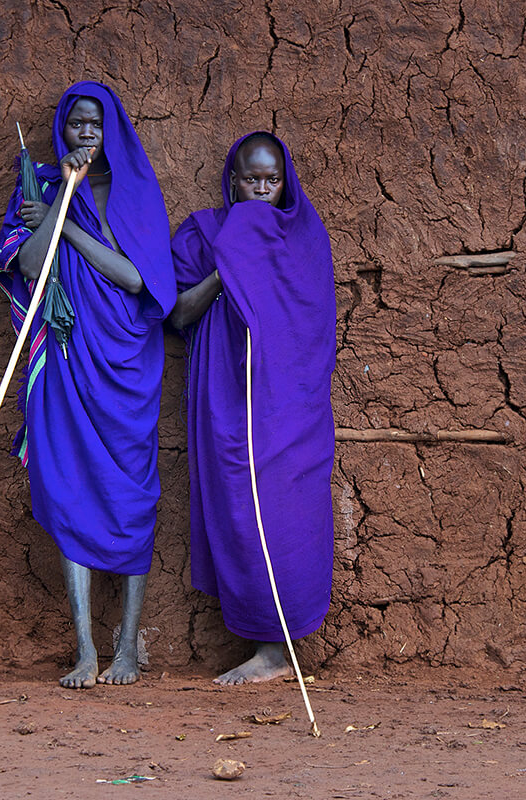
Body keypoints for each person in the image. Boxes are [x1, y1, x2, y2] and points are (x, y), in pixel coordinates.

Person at [0, 81, 175, 688]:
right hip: (67, 359)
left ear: (112, 130)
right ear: (62, 131)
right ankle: (86, 651)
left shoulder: (134, 194)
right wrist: (56, 201)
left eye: (97, 124)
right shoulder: (40, 187)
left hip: (124, 365)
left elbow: (134, 279)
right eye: (77, 125)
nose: (87, 134)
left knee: (130, 497)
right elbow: (30, 267)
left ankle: (126, 648)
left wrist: (67, 222)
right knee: (69, 485)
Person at [169, 132, 336, 684]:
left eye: (272, 180)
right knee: (240, 507)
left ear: (285, 182)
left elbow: (312, 325)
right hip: (226, 398)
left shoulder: (305, 239)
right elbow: (178, 316)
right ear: (232, 180)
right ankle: (263, 645)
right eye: (250, 180)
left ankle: (279, 653)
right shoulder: (205, 234)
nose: (261, 190)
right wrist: (228, 266)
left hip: (288, 403)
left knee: (287, 512)